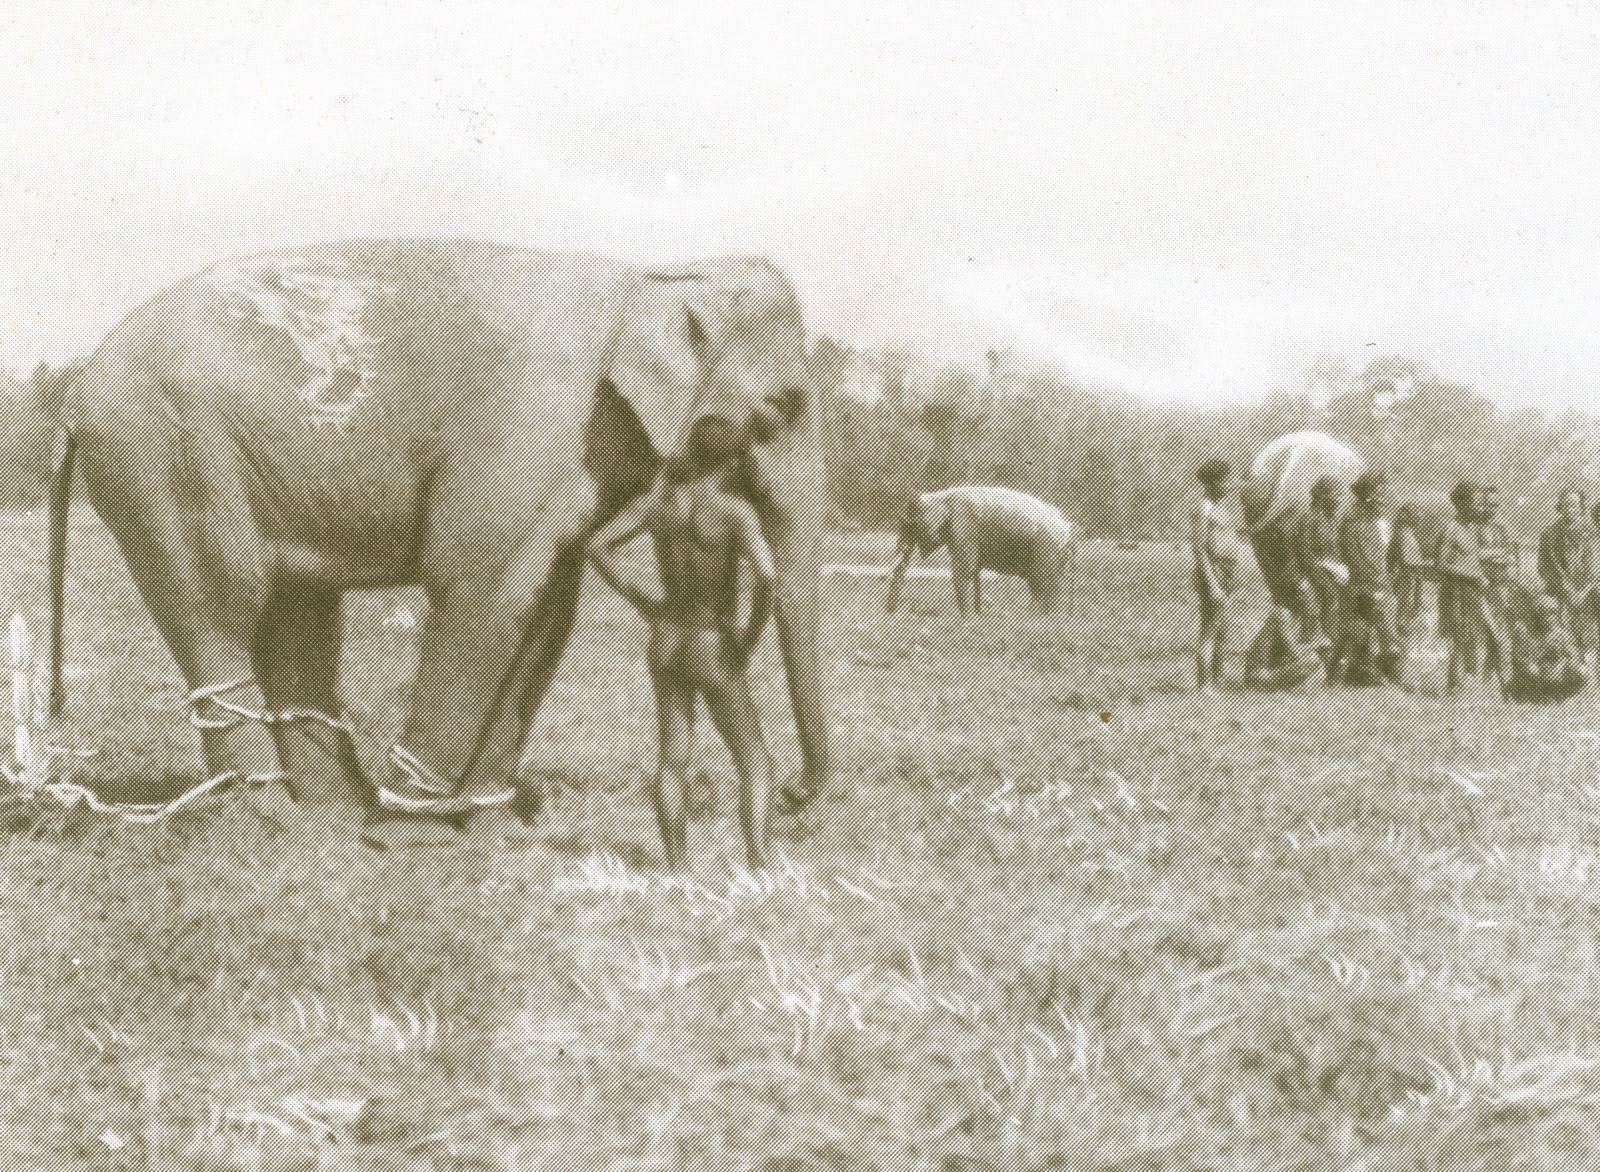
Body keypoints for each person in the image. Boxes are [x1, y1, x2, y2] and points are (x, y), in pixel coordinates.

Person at [586, 415, 778, 871]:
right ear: (732, 460)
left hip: (666, 638)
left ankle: (676, 868)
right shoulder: (735, 511)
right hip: (711, 640)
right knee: (755, 760)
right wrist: (749, 636)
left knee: (673, 758)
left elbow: (597, 546)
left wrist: (642, 599)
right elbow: (768, 576)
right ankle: (759, 865)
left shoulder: (661, 503)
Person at [1331, 472, 1402, 684]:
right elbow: (1353, 555)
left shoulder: (1380, 522)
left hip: (1377, 581)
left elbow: (1384, 554)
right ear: (1365, 496)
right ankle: (1342, 672)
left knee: (1370, 626)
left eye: (1383, 493)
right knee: (1357, 626)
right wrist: (1374, 582)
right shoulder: (1353, 521)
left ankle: (1362, 671)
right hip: (1361, 584)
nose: (1381, 498)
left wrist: (1385, 577)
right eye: (1376, 494)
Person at [1436, 482, 1504, 693]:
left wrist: (1490, 558)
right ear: (1462, 504)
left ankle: (1465, 685)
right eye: (1477, 503)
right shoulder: (1451, 528)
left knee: (1471, 636)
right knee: (1459, 638)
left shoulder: (1472, 528)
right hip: (1455, 592)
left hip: (1471, 591)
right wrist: (1474, 574)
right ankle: (1454, 687)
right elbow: (1441, 564)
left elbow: (1471, 556)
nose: (1481, 508)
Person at [1190, 458, 1241, 693]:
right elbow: (1199, 548)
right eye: (1225, 481)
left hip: (1226, 572)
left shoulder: (1221, 507)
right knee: (1210, 628)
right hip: (1213, 572)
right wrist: (1212, 585)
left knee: (1224, 628)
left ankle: (1218, 681)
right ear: (1212, 483)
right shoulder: (1204, 507)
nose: (1230, 484)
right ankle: (1205, 685)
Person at [1538, 490, 1597, 664]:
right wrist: (1564, 587)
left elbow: (1594, 568)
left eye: (1574, 505)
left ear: (1581, 508)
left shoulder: (1592, 533)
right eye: (1566, 504)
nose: (1569, 509)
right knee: (1555, 627)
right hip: (1558, 591)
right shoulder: (1549, 534)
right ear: (1560, 507)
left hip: (1587, 593)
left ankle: (1587, 666)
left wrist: (1582, 591)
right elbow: (1543, 568)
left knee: (1588, 632)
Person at [1292, 476, 1345, 651]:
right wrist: (1325, 574)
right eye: (1335, 495)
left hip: (1332, 577)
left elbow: (1336, 551)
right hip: (1313, 578)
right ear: (1323, 496)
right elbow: (1304, 554)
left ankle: (1333, 650)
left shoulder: (1331, 521)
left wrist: (1338, 569)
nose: (1338, 500)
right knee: (1314, 617)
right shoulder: (1308, 519)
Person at [1504, 593, 1587, 703]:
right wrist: (1531, 665)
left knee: (1581, 671)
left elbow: (1573, 657)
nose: (1548, 617)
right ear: (1537, 614)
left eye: (1551, 613)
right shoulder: (1526, 632)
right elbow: (1519, 657)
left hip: (1555, 671)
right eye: (1544, 613)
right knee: (1528, 675)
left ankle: (1563, 696)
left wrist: (1561, 666)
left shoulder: (1562, 634)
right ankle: (1536, 696)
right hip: (1534, 673)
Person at [1388, 503, 1429, 635]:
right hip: (1406, 572)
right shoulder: (1402, 534)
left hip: (1412, 571)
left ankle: (1406, 623)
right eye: (1417, 514)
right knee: (1405, 598)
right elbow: (1405, 557)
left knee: (1410, 599)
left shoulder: (1408, 533)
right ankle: (1401, 624)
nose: (1420, 517)